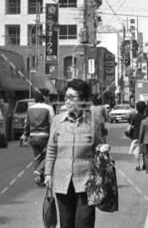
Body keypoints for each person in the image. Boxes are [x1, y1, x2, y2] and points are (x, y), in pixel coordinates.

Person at [44, 79, 104, 228]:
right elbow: (51, 149)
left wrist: (102, 148)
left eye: (72, 97)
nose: (68, 101)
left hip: (86, 181)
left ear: (83, 99)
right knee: (66, 223)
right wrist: (48, 174)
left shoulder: (92, 122)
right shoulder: (58, 121)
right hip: (62, 181)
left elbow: (99, 144)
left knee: (84, 222)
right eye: (66, 97)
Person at [24, 93, 55, 185]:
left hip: (33, 136)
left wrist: (26, 135)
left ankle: (39, 180)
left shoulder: (30, 109)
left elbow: (27, 123)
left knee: (37, 157)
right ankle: (39, 171)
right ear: (44, 99)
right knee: (50, 156)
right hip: (45, 136)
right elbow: (53, 122)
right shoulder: (48, 108)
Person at [130, 101, 147, 171]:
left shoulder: (135, 116)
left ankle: (138, 165)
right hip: (144, 137)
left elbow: (132, 126)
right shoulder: (145, 116)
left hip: (136, 136)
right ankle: (145, 165)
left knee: (136, 152)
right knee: (144, 152)